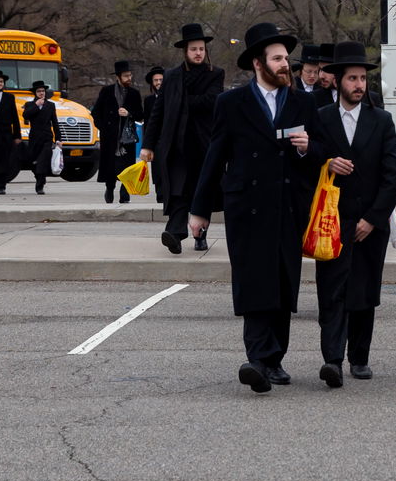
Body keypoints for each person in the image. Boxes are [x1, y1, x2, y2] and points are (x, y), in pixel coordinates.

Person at [190, 22, 323, 394]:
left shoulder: (303, 102)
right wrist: (199, 210)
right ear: (257, 63)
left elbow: (323, 152)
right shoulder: (230, 103)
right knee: (253, 281)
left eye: (286, 58)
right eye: (278, 58)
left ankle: (275, 359)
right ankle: (258, 360)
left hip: (288, 206)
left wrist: (306, 147)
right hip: (246, 207)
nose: (286, 65)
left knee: (282, 282)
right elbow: (214, 157)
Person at [313, 41, 396, 387]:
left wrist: (374, 218)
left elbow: (393, 174)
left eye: (363, 78)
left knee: (364, 291)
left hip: (370, 222)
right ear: (337, 81)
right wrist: (326, 161)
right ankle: (332, 360)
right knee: (331, 290)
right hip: (331, 222)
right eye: (352, 78)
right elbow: (307, 162)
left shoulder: (381, 120)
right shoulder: (320, 118)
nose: (358, 85)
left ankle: (360, 357)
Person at [141, 22, 225, 253]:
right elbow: (158, 111)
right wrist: (148, 145)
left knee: (202, 190)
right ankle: (175, 234)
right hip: (176, 145)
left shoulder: (215, 73)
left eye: (201, 49)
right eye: (193, 49)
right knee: (178, 190)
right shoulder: (172, 76)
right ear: (185, 51)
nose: (198, 53)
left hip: (204, 144)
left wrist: (179, 103)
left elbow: (213, 100)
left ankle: (201, 235)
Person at [93, 60, 143, 203]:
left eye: (130, 75)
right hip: (110, 137)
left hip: (127, 138)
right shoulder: (106, 91)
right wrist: (104, 128)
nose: (129, 78)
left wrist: (129, 113)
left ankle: (125, 192)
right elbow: (96, 113)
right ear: (118, 77)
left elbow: (140, 114)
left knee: (127, 166)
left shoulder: (134, 93)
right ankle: (109, 189)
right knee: (110, 166)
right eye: (126, 76)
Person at [23, 81, 61, 195]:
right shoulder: (30, 105)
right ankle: (40, 177)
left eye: (43, 91)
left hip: (47, 138)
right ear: (35, 93)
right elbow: (26, 116)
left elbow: (55, 122)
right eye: (39, 91)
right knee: (33, 162)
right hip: (34, 138)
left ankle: (40, 185)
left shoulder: (50, 105)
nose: (41, 93)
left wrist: (59, 139)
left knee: (42, 161)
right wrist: (36, 105)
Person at [0, 71, 22, 195]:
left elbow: (15, 117)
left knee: (4, 160)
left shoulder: (9, 97)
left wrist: (17, 135)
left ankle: (2, 185)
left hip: (6, 134)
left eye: (1, 82)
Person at [314, 42, 337, 108]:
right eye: (320, 70)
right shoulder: (313, 98)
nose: (321, 76)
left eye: (327, 70)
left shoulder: (361, 97)